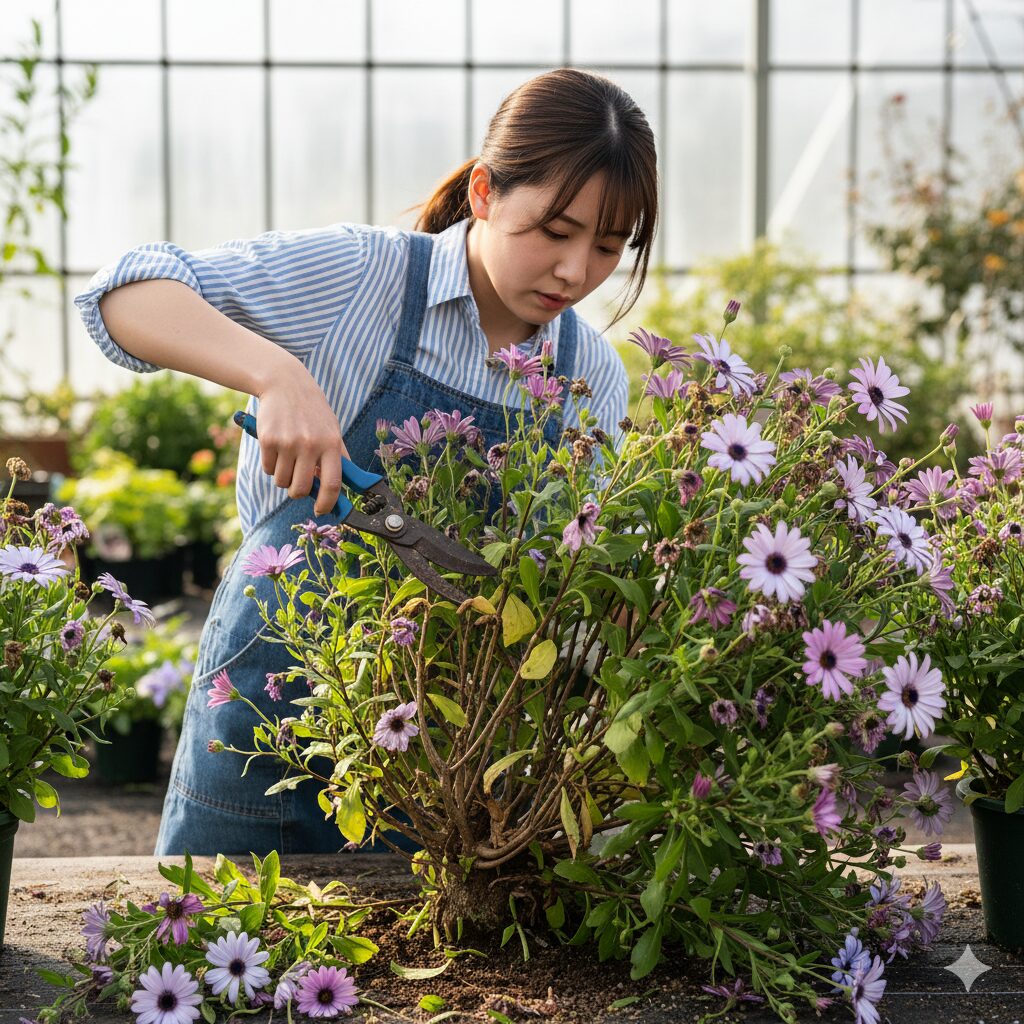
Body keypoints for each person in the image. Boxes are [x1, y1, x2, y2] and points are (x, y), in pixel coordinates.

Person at [75, 68, 659, 857]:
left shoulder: (591, 376)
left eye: (608, 247)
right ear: (485, 192)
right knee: (217, 931)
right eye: (555, 232)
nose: (575, 271)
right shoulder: (365, 276)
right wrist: (275, 375)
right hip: (267, 720)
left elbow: (571, 583)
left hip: (444, 764)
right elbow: (122, 293)